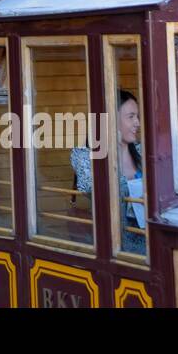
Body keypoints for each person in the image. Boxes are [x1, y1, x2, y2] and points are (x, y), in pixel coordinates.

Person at [70, 90, 146, 255]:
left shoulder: (142, 151)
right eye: (131, 117)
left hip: (147, 241)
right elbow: (90, 188)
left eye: (137, 116)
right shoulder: (83, 154)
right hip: (110, 247)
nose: (137, 123)